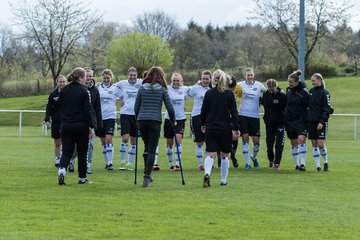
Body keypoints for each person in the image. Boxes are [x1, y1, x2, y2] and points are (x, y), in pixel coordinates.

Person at [134, 66, 175, 187]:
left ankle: (148, 175)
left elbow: (136, 107)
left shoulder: (142, 89)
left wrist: (138, 119)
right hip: (155, 121)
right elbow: (170, 108)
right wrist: (173, 121)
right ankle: (147, 176)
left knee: (146, 147)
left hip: (142, 121)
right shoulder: (162, 90)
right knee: (152, 149)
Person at [200, 70, 240, 187]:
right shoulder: (229, 94)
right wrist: (236, 127)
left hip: (211, 127)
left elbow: (203, 111)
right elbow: (234, 112)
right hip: (225, 128)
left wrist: (203, 124)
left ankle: (207, 173)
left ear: (213, 79)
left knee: (210, 154)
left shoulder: (209, 93)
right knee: (224, 155)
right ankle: (223, 180)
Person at [57, 67, 94, 185]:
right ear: (80, 78)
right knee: (82, 152)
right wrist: (91, 126)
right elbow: (87, 111)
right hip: (81, 126)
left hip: (66, 125)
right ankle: (82, 178)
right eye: (84, 77)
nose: (85, 80)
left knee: (67, 151)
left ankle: (62, 170)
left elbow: (60, 108)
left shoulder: (63, 90)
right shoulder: (84, 91)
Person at [237, 67, 266, 169]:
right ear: (244, 76)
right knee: (245, 138)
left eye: (251, 75)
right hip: (243, 115)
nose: (249, 77)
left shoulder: (259, 85)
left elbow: (268, 92)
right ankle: (247, 163)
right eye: (247, 75)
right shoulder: (240, 85)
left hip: (255, 116)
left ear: (254, 75)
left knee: (256, 141)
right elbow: (231, 89)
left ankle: (253, 157)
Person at [116, 67, 143, 171]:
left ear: (136, 75)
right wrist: (121, 97)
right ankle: (122, 162)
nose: (132, 77)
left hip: (137, 115)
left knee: (134, 140)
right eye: (131, 75)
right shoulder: (122, 83)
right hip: (125, 114)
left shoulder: (141, 82)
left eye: (134, 75)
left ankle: (129, 163)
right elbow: (111, 89)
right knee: (125, 138)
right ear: (128, 75)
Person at [163, 72, 189, 171]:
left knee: (178, 139)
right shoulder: (167, 89)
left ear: (181, 81)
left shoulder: (185, 89)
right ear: (171, 81)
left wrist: (199, 83)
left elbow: (195, 89)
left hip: (180, 119)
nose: (176, 82)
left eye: (178, 80)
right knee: (169, 143)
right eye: (174, 80)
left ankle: (178, 164)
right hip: (168, 119)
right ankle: (171, 164)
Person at [97, 69, 122, 170]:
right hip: (100, 117)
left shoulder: (115, 88)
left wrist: (122, 101)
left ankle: (110, 163)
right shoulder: (98, 87)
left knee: (109, 139)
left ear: (111, 78)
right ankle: (107, 163)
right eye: (104, 78)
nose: (106, 79)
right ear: (102, 78)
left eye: (108, 78)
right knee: (103, 141)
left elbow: (123, 96)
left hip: (110, 117)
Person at [186, 70, 212, 170]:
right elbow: (184, 97)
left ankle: (209, 163)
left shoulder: (213, 89)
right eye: (203, 79)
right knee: (199, 141)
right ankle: (200, 165)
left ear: (210, 79)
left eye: (207, 79)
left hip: (210, 118)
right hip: (197, 116)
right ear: (201, 79)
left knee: (209, 141)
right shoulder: (195, 88)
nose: (205, 80)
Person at [307, 73, 333, 172]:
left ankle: (325, 162)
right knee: (314, 144)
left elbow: (327, 109)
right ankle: (318, 166)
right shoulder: (311, 91)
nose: (312, 82)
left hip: (320, 122)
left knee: (320, 143)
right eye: (311, 80)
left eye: (313, 80)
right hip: (311, 121)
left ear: (319, 80)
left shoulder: (325, 92)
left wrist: (322, 121)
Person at [285, 70, 309, 171]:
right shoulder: (288, 90)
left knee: (301, 140)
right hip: (289, 120)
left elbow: (309, 105)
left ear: (296, 82)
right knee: (294, 143)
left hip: (301, 120)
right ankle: (297, 164)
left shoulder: (304, 92)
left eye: (291, 82)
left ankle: (303, 164)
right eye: (288, 82)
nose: (289, 84)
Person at [261, 79, 287, 170]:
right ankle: (271, 160)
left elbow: (286, 108)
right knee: (269, 145)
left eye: (273, 88)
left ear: (276, 86)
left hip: (280, 123)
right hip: (269, 124)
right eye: (269, 88)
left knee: (279, 144)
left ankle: (277, 163)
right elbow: (264, 104)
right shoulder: (265, 94)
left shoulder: (282, 95)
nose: (271, 90)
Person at [44, 75, 66, 167]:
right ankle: (57, 159)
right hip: (56, 122)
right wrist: (47, 119)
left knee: (66, 142)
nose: (62, 83)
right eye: (60, 82)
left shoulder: (68, 93)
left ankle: (66, 159)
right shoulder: (53, 95)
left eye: (63, 82)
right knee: (57, 142)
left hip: (66, 121)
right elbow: (48, 108)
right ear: (57, 83)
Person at [84, 67, 102, 174]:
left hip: (91, 122)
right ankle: (71, 161)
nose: (89, 78)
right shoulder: (79, 88)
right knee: (78, 145)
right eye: (87, 76)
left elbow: (97, 108)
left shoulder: (95, 90)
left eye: (90, 76)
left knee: (90, 144)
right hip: (79, 121)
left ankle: (88, 165)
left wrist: (98, 123)